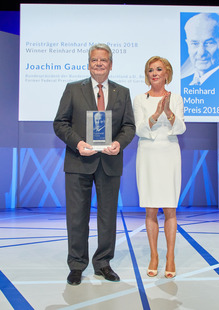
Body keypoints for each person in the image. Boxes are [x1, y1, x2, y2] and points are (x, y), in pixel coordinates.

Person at [53, 43, 135, 285]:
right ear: (88, 64)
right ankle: (77, 265)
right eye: (94, 60)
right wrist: (78, 143)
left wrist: (119, 144)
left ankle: (103, 263)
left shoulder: (123, 92)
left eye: (104, 60)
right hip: (79, 161)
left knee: (108, 216)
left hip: (109, 162)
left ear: (111, 64)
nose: (99, 64)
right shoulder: (72, 89)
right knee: (77, 216)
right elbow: (60, 123)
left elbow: (129, 126)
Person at [133, 56, 186, 278]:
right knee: (151, 208)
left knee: (170, 208)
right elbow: (139, 130)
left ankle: (170, 257)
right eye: (150, 70)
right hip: (148, 154)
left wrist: (168, 113)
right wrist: (155, 114)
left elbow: (181, 129)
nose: (154, 73)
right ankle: (154, 256)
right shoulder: (139, 99)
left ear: (167, 73)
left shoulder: (176, 98)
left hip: (169, 153)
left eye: (158, 69)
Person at [181, 13, 219, 87]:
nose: (201, 52)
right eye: (194, 43)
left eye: (209, 43)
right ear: (188, 44)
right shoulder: (182, 82)